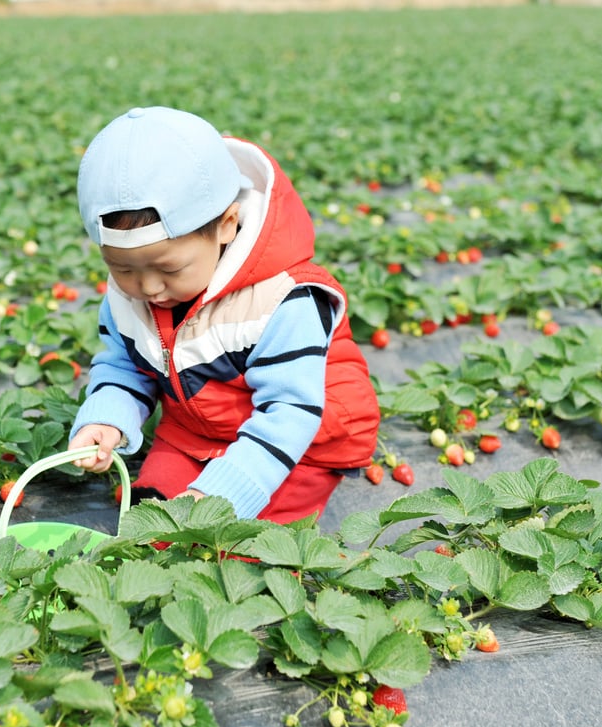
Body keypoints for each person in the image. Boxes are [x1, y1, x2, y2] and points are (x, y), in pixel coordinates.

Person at [67, 106, 380, 524]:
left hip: (305, 439)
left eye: (169, 269)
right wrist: (108, 419)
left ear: (227, 225)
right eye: (123, 269)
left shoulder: (283, 301)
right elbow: (126, 367)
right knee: (151, 522)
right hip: (197, 430)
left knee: (231, 543)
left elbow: (290, 411)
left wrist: (226, 490)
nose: (149, 288)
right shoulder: (131, 297)